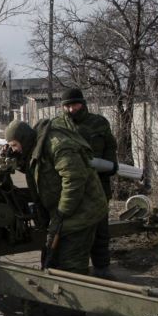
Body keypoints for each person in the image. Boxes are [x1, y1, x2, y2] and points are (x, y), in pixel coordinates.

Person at [4, 119, 108, 316]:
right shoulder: (36, 145)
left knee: (71, 261)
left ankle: (73, 307)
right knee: (52, 255)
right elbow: (36, 169)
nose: (15, 149)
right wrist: (14, 159)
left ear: (24, 139)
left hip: (82, 210)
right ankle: (58, 297)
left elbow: (74, 178)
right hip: (66, 211)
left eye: (15, 145)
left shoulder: (57, 144)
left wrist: (62, 212)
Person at [54, 88, 117, 279]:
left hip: (98, 184)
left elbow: (110, 147)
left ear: (83, 103)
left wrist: (109, 165)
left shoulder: (99, 123)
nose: (71, 110)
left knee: (100, 228)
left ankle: (102, 268)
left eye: (75, 105)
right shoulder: (58, 125)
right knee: (70, 229)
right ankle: (70, 269)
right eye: (67, 106)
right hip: (70, 186)